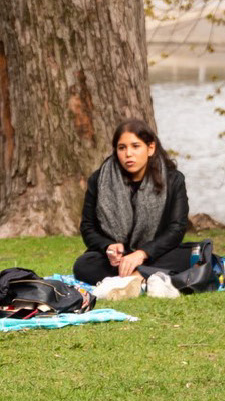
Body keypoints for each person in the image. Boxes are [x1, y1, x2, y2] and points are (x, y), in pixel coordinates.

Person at [73, 119, 193, 282]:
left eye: (135, 146)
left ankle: (134, 276)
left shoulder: (173, 180)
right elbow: (88, 227)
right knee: (83, 265)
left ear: (150, 148)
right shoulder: (99, 180)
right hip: (117, 259)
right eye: (122, 148)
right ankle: (143, 276)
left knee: (190, 255)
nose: (128, 154)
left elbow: (177, 229)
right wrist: (107, 246)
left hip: (155, 253)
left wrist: (142, 253)